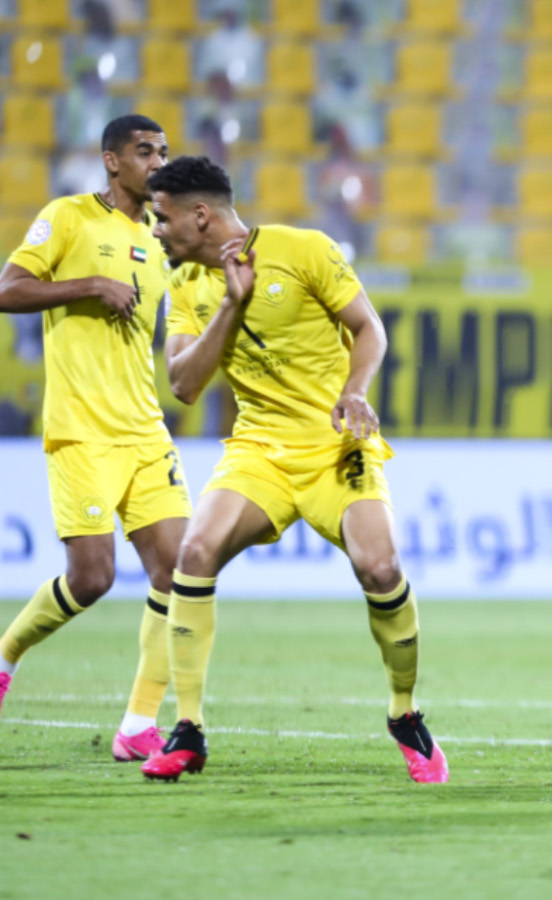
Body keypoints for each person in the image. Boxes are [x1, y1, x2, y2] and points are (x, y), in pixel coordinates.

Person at [137, 156, 446, 784]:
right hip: (259, 451)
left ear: (201, 215)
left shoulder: (304, 250)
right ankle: (188, 729)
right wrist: (233, 303)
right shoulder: (186, 283)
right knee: (193, 553)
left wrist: (355, 392)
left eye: (162, 218)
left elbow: (369, 329)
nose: (156, 230)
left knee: (380, 567)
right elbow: (185, 385)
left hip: (336, 445)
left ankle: (403, 712)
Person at [0, 115, 189, 764]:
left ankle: (138, 723)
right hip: (81, 430)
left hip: (145, 431)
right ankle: (6, 654)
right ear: (112, 161)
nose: (158, 162)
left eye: (164, 152)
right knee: (91, 578)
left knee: (178, 572)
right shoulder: (70, 216)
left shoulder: (162, 238)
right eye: (145, 151)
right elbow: (8, 290)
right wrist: (90, 286)